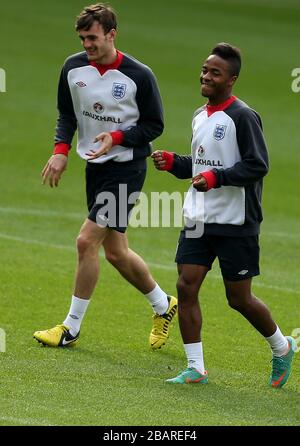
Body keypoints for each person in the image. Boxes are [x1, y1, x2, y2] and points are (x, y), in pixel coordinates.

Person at [33, 3, 177, 350]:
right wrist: (60, 151)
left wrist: (115, 137)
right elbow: (66, 114)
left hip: (126, 168)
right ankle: (165, 305)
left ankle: (71, 328)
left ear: (112, 34)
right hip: (95, 169)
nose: (87, 45)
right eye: (83, 38)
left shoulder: (139, 75)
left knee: (86, 241)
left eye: (93, 38)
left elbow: (154, 125)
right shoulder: (73, 68)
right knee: (115, 252)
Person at [152, 43, 296, 387]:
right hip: (199, 217)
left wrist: (215, 179)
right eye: (204, 69)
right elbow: (203, 166)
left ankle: (282, 347)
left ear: (231, 79)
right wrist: (175, 163)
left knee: (239, 299)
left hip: (235, 221)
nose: (205, 76)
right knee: (186, 287)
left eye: (215, 72)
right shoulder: (200, 116)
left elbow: (256, 165)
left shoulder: (243, 116)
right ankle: (195, 368)